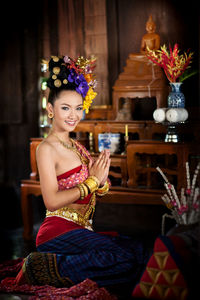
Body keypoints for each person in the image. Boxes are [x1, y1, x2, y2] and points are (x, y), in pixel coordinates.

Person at [15, 55, 149, 297]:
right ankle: (40, 267)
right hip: (56, 231)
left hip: (81, 231)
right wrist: (90, 183)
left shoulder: (77, 146)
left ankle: (63, 264)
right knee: (124, 259)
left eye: (78, 108)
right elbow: (51, 201)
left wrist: (101, 182)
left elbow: (97, 187)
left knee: (140, 251)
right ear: (50, 110)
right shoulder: (46, 148)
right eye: (65, 108)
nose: (73, 115)